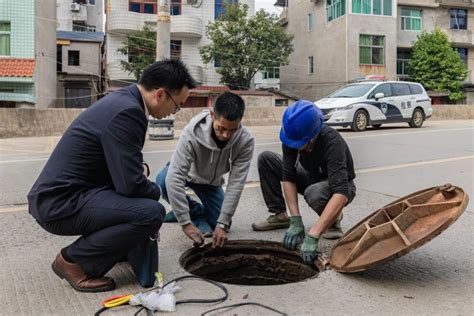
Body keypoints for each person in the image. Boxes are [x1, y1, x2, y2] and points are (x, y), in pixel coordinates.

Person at [27, 59, 196, 292]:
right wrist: (156, 189)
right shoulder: (129, 112)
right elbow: (130, 186)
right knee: (151, 212)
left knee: (140, 202)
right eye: (177, 106)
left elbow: (123, 163)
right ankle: (73, 261)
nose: (175, 112)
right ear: (160, 94)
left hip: (71, 194)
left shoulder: (124, 100)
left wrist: (139, 172)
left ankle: (118, 248)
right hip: (61, 203)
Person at [252, 100, 356, 264]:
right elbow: (288, 177)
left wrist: (313, 234)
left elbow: (341, 192)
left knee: (314, 193)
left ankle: (333, 220)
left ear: (313, 135)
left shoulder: (331, 141)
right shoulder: (291, 135)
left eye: (300, 144)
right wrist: (296, 220)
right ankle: (281, 217)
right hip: (311, 177)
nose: (295, 147)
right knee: (267, 159)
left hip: (339, 187)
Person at [156, 92, 254, 249]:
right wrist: (185, 222)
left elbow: (236, 183)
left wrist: (222, 224)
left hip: (211, 183)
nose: (225, 135)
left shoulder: (245, 141)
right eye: (221, 128)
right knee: (163, 180)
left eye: (232, 130)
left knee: (220, 222)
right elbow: (175, 176)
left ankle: (184, 208)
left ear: (240, 121)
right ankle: (188, 211)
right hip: (188, 175)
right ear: (212, 115)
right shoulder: (192, 132)